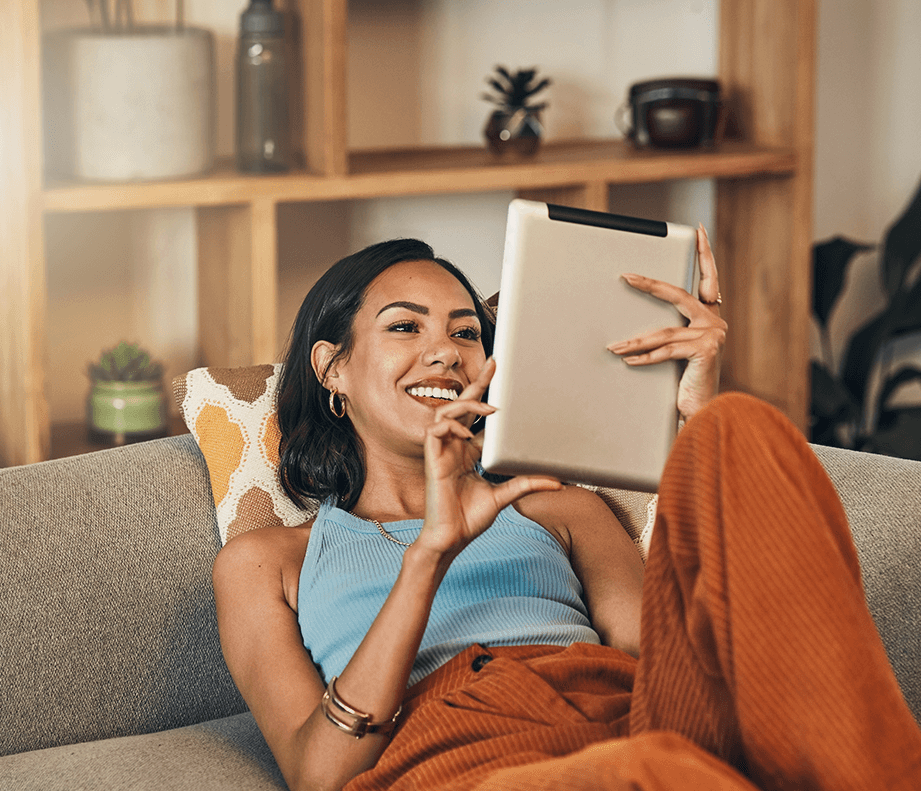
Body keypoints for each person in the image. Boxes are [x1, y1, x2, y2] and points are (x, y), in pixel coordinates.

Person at [212, 233, 921, 791]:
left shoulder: (557, 503)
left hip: (623, 713)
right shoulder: (269, 562)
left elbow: (670, 659)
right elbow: (319, 774)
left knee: (740, 425)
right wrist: (431, 551)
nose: (444, 353)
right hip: (461, 756)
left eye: (466, 333)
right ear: (331, 368)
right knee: (657, 776)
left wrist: (693, 420)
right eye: (405, 327)